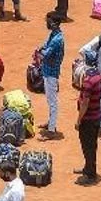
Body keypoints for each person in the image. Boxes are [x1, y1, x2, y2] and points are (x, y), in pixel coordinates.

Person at [74, 53, 101, 185]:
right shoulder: (99, 76)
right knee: (92, 145)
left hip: (88, 118)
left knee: (88, 146)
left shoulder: (88, 81)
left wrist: (79, 119)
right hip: (96, 115)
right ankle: (88, 168)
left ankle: (90, 174)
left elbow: (85, 102)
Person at [38, 12, 64, 141]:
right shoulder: (54, 35)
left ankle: (52, 130)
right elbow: (44, 46)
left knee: (52, 102)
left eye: (48, 21)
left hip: (51, 73)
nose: (46, 23)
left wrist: (38, 51)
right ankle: (50, 123)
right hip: (47, 71)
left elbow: (45, 54)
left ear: (54, 23)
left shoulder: (57, 40)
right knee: (49, 99)